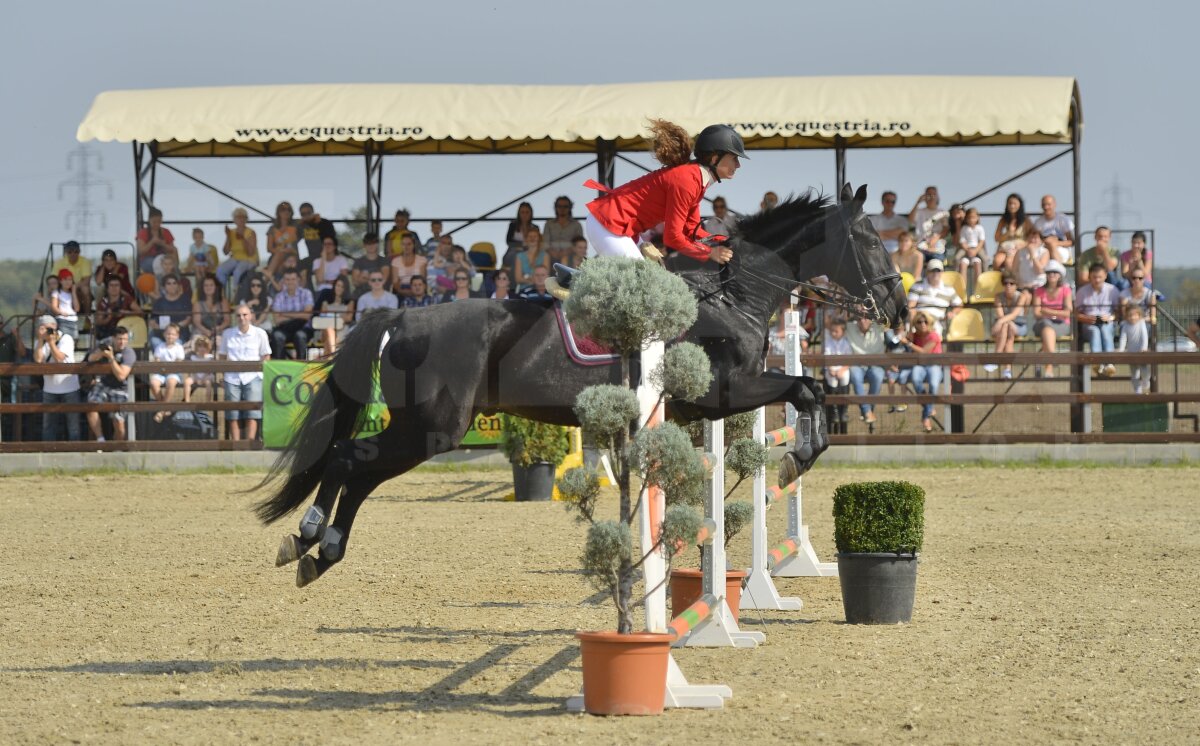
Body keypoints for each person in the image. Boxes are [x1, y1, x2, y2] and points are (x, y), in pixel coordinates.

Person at [584, 121, 743, 264]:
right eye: (734, 158)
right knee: (643, 285)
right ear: (715, 159)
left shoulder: (696, 179)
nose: (738, 165)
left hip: (619, 227)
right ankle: (568, 282)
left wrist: (729, 241)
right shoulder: (687, 180)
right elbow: (673, 238)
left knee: (655, 281)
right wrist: (710, 252)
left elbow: (691, 231)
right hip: (608, 224)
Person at [219, 304, 271, 441]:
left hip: (253, 376)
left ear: (251, 316)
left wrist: (261, 375)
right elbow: (222, 357)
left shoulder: (260, 333)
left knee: (253, 412)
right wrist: (223, 376)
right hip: (232, 377)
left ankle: (249, 445)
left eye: (245, 314)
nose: (242, 318)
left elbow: (266, 355)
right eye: (238, 315)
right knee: (232, 413)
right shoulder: (227, 334)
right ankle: (236, 445)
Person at [33, 315, 81, 442]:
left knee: (73, 424)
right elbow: (38, 360)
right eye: (43, 328)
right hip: (49, 389)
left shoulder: (66, 338)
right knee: (48, 425)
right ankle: (48, 452)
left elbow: (60, 359)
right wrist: (40, 339)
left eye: (49, 328)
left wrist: (51, 342)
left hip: (69, 388)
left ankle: (75, 452)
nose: (47, 331)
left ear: (55, 327)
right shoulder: (40, 342)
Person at [85, 326, 136, 442]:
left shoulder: (129, 352)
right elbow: (90, 358)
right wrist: (100, 353)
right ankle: (100, 440)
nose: (122, 342)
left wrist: (111, 358)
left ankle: (116, 449)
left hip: (120, 388)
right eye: (119, 339)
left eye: (125, 339)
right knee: (91, 406)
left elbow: (121, 376)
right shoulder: (106, 344)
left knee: (119, 422)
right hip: (103, 385)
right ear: (113, 338)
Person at [1075, 262, 1121, 377]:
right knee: (1094, 332)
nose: (1097, 280)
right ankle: (1097, 362)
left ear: (1105, 276)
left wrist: (1110, 317)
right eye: (1094, 277)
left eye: (1100, 277)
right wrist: (1087, 318)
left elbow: (1119, 312)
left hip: (1107, 322)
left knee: (1105, 331)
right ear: (1089, 276)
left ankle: (1109, 363)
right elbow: (1075, 314)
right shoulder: (1082, 292)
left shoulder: (1113, 290)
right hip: (1089, 324)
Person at [1031, 261, 1073, 378]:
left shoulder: (1066, 290)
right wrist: (1057, 313)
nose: (1052, 275)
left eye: (1055, 272)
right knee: (1047, 326)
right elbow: (1036, 313)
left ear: (1060, 275)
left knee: (1047, 331)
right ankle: (1052, 359)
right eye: (1049, 272)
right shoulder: (1038, 290)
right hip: (1042, 323)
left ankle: (1047, 366)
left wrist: (1047, 311)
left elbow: (1068, 313)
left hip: (1062, 324)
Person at [902, 311, 942, 433]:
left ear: (930, 323)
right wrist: (910, 333)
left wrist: (909, 343)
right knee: (915, 379)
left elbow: (924, 351)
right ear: (915, 324)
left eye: (926, 321)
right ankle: (929, 407)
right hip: (920, 365)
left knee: (934, 384)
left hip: (934, 364)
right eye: (919, 322)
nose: (923, 324)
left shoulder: (934, 335)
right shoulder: (915, 335)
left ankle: (925, 416)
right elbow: (906, 336)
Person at [846, 315, 886, 429]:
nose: (862, 320)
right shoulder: (849, 327)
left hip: (875, 364)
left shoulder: (878, 327)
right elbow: (837, 319)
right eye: (859, 318)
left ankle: (868, 411)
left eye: (866, 318)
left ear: (871, 319)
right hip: (857, 364)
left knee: (878, 376)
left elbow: (888, 317)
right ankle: (867, 411)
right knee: (855, 375)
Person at [906, 258, 961, 336]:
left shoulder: (949, 289)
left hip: (937, 323)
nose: (935, 273)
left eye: (938, 271)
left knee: (934, 335)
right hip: (918, 321)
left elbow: (959, 305)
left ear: (942, 272)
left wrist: (952, 313)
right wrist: (915, 324)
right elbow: (911, 307)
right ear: (927, 272)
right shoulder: (917, 286)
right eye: (932, 270)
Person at [991, 273, 1029, 380]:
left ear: (1016, 285)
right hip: (1005, 326)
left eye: (1012, 283)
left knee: (1006, 327)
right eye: (1006, 283)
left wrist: (1000, 322)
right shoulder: (998, 296)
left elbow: (1014, 314)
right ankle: (1007, 370)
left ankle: (996, 357)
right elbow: (1000, 314)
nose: (1008, 285)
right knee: (1009, 337)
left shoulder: (1021, 296)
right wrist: (1004, 322)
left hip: (1019, 325)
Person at [271, 268, 314, 359]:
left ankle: (301, 369)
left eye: (293, 279)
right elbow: (277, 320)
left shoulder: (306, 293)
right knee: (277, 336)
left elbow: (307, 316)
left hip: (303, 328)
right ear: (284, 281)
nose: (290, 282)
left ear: (298, 280)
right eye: (287, 279)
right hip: (285, 329)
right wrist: (299, 316)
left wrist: (284, 314)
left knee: (300, 336)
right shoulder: (279, 297)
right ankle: (280, 370)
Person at [149, 323, 186, 423]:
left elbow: (179, 361)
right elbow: (156, 359)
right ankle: (165, 407)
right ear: (164, 334)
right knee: (153, 383)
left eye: (173, 334)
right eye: (168, 334)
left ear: (177, 336)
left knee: (171, 382)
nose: (170, 336)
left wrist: (169, 368)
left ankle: (161, 410)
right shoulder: (160, 346)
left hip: (174, 372)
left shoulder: (179, 347)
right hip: (161, 372)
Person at [216, 207, 259, 291]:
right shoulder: (231, 232)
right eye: (238, 217)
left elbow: (250, 253)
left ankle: (236, 295)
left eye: (243, 217)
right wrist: (228, 236)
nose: (240, 219)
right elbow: (225, 252)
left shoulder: (250, 232)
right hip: (235, 259)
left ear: (246, 219)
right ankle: (220, 294)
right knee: (220, 270)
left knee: (238, 271)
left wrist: (243, 238)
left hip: (249, 259)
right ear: (234, 220)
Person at [822, 319, 852, 432]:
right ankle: (834, 411)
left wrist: (843, 369)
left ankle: (843, 410)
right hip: (831, 368)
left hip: (842, 368)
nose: (833, 333)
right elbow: (826, 357)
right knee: (832, 380)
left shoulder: (846, 343)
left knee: (845, 377)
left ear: (842, 332)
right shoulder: (828, 342)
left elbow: (849, 359)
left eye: (836, 331)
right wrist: (831, 369)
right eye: (832, 331)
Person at [992, 193, 1034, 273]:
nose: (1012, 206)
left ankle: (1012, 284)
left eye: (1015, 203)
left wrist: (1024, 244)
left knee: (1009, 262)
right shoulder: (1003, 219)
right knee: (997, 261)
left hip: (1019, 247)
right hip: (1006, 246)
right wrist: (1008, 233)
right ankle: (999, 284)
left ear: (1020, 205)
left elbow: (1033, 236)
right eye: (1010, 203)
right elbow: (996, 238)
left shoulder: (1025, 219)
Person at [93, 276, 142, 340]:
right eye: (111, 285)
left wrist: (127, 313)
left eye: (116, 285)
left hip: (126, 332)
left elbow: (141, 312)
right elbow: (99, 322)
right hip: (108, 334)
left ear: (120, 288)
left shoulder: (127, 299)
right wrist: (108, 317)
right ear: (107, 288)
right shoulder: (103, 303)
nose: (114, 288)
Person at [316, 275, 355, 354]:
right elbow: (322, 318)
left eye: (342, 287)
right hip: (325, 330)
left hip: (342, 329)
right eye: (338, 285)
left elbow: (348, 318)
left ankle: (328, 357)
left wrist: (331, 317)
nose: (339, 288)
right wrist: (340, 317)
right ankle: (332, 355)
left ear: (345, 289)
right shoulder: (326, 302)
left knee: (329, 332)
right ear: (334, 286)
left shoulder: (350, 302)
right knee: (329, 329)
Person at [150, 273, 193, 344]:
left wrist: (172, 330)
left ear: (178, 286)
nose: (172, 286)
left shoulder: (185, 300)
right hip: (161, 334)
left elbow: (188, 320)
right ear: (164, 287)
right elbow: (152, 322)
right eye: (168, 284)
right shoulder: (159, 302)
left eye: (174, 283)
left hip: (180, 334)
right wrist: (162, 329)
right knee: (154, 341)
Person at [1031, 194, 1075, 264]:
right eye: (1044, 205)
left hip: (1061, 250)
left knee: (1051, 246)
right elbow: (1036, 240)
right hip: (1043, 249)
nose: (1046, 207)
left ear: (1054, 204)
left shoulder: (1063, 219)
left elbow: (1071, 242)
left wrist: (1055, 243)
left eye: (1048, 204)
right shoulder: (1038, 222)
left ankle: (1058, 269)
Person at [908, 186, 948, 261]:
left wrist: (936, 238)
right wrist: (918, 202)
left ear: (937, 197)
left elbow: (946, 229)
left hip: (936, 248)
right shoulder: (920, 211)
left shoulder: (942, 212)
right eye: (929, 195)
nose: (931, 197)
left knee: (936, 264)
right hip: (920, 247)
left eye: (934, 194)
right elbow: (910, 220)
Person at [1118, 305, 1151, 395]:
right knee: (1134, 374)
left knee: (1144, 371)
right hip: (1131, 353)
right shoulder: (1125, 325)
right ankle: (1137, 391)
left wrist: (1144, 348)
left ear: (1139, 315)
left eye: (1135, 315)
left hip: (1141, 353)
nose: (1132, 317)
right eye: (1130, 315)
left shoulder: (1141, 323)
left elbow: (1144, 337)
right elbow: (1123, 338)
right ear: (1126, 316)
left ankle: (1146, 382)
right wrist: (1121, 349)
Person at [52, 241, 94, 311]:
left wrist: (73, 288)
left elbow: (86, 280)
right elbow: (54, 279)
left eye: (76, 251)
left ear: (79, 252)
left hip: (78, 289)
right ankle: (54, 312)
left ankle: (87, 316)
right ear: (66, 252)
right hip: (63, 288)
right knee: (52, 288)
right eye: (70, 252)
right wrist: (66, 287)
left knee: (85, 289)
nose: (73, 254)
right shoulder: (59, 262)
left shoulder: (85, 261)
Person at [136, 207, 178, 275]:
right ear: (149, 220)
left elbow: (173, 249)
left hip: (164, 258)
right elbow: (141, 252)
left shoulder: (166, 232)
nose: (157, 224)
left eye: (159, 221)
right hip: (147, 259)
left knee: (168, 263)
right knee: (163, 265)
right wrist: (152, 242)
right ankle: (163, 281)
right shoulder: (143, 232)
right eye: (154, 222)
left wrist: (163, 244)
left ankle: (175, 279)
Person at [264, 201, 301, 277]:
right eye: (283, 209)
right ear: (278, 212)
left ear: (291, 212)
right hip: (277, 257)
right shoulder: (273, 228)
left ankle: (266, 278)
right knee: (280, 255)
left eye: (289, 209)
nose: (286, 211)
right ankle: (269, 279)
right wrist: (283, 250)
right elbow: (269, 248)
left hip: (292, 257)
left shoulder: (296, 225)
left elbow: (306, 220)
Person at [543, 196, 585, 261]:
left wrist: (565, 253)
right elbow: (546, 244)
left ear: (570, 208)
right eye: (559, 206)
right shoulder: (548, 224)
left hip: (571, 259)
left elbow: (579, 244)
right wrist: (554, 254)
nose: (562, 209)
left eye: (565, 206)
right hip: (550, 258)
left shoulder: (577, 225)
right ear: (556, 208)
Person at [311, 236, 351, 303]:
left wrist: (326, 281)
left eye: (329, 244)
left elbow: (343, 279)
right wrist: (323, 258)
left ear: (334, 246)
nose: (327, 246)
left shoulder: (341, 260)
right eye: (325, 244)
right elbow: (320, 279)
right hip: (322, 291)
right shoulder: (317, 261)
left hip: (338, 290)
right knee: (324, 292)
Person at [955, 207, 987, 290]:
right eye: (969, 218)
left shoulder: (980, 228)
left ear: (977, 218)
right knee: (957, 258)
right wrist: (967, 250)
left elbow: (981, 241)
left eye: (973, 218)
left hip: (977, 248)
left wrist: (975, 250)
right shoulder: (964, 228)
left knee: (985, 259)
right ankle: (960, 286)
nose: (971, 220)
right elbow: (962, 241)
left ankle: (984, 279)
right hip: (966, 248)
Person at [192, 273, 230, 341]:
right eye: (206, 285)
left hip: (219, 330)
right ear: (202, 287)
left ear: (216, 287)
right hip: (202, 331)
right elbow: (197, 322)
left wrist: (218, 328)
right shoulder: (197, 303)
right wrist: (206, 331)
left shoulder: (223, 302)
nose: (208, 287)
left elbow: (227, 320)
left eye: (211, 285)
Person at [1013, 230, 1050, 296]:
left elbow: (1040, 271)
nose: (1032, 240)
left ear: (1041, 240)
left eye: (1035, 238)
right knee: (1025, 296)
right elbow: (1014, 271)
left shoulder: (1044, 252)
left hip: (1039, 285)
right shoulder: (1020, 252)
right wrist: (1019, 283)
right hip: (1023, 286)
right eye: (1030, 237)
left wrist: (1032, 253)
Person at [183, 334, 216, 403]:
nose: (202, 348)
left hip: (207, 376)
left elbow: (210, 370)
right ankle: (187, 401)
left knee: (208, 383)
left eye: (204, 346)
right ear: (197, 347)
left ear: (208, 348)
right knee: (187, 382)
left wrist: (204, 378)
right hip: (195, 376)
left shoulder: (210, 358)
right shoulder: (193, 357)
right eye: (200, 346)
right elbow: (192, 370)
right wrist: (196, 377)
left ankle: (208, 402)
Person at [50, 269, 81, 339]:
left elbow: (77, 308)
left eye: (70, 280)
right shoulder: (56, 292)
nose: (68, 282)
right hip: (62, 320)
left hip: (73, 320)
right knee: (64, 339)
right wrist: (61, 312)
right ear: (60, 281)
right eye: (65, 279)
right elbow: (54, 307)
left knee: (74, 339)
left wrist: (73, 293)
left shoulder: (72, 294)